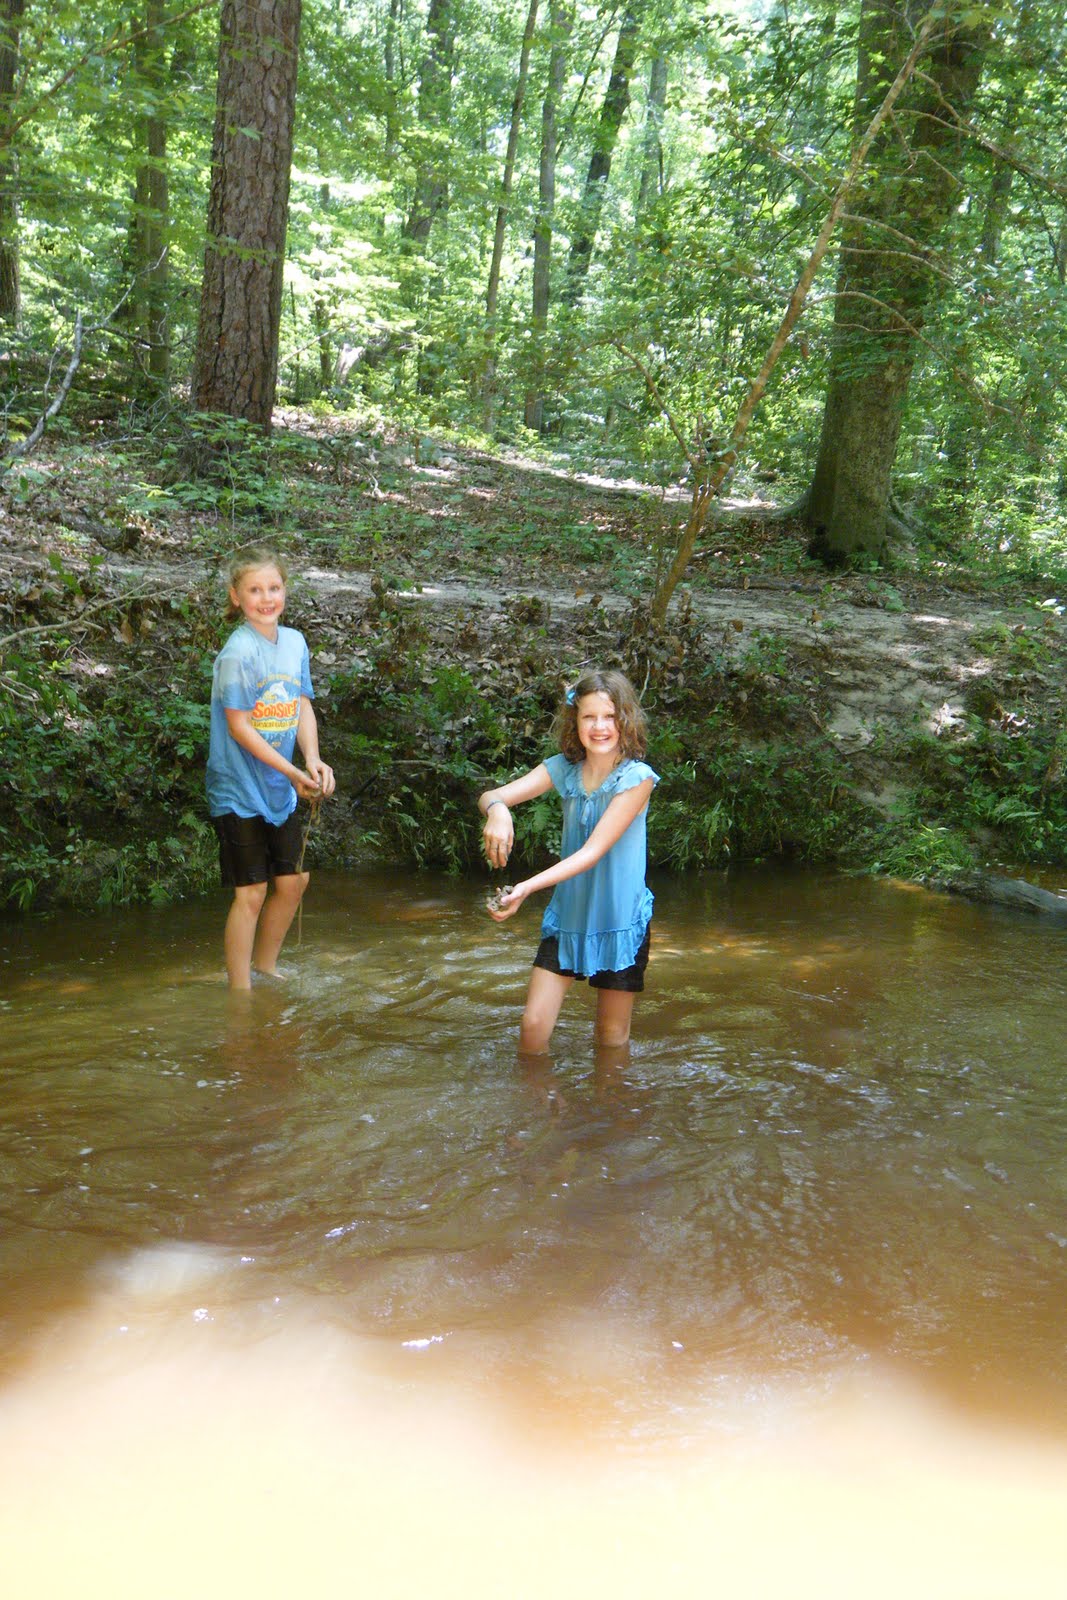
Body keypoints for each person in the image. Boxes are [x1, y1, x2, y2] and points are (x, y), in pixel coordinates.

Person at [479, 669, 658, 1052]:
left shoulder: (637, 779)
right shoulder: (563, 768)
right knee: (532, 1027)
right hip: (569, 916)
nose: (599, 727)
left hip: (619, 921)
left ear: (625, 720)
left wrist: (524, 888)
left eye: (609, 717)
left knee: (610, 1042)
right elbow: (492, 795)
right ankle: (537, 1110)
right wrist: (498, 811)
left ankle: (605, 1111)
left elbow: (591, 853)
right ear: (574, 721)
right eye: (588, 717)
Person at [206, 546, 335, 989]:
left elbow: (301, 704)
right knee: (251, 892)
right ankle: (239, 993)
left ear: (285, 590)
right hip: (237, 788)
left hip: (279, 785)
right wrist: (292, 772)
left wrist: (312, 760)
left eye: (274, 588)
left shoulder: (295, 642)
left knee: (295, 881)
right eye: (255, 590)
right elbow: (240, 728)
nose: (267, 598)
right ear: (236, 597)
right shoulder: (237, 654)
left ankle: (266, 967)